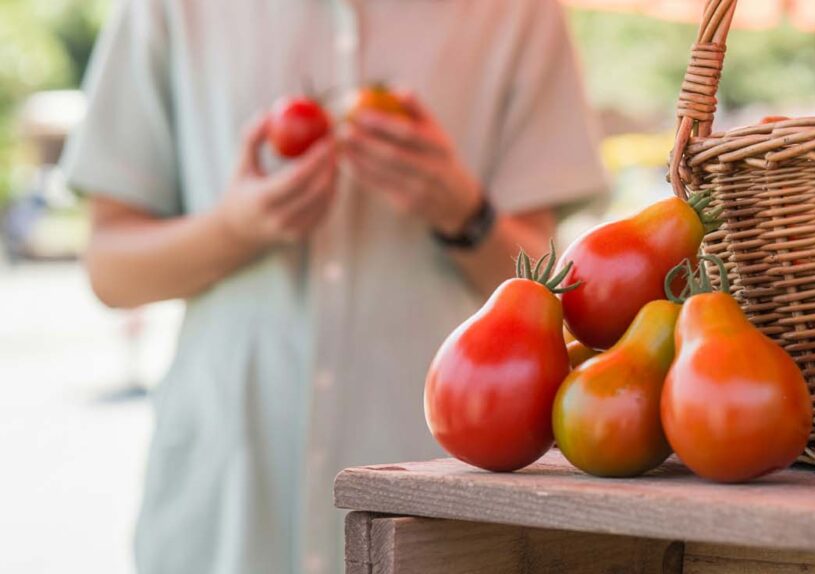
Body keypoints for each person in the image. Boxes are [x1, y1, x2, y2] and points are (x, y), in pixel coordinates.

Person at [62, 0, 607, 572]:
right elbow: (109, 270)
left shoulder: (519, 13)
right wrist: (232, 230)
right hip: (229, 489)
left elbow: (548, 291)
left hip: (440, 471)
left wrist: (464, 212)